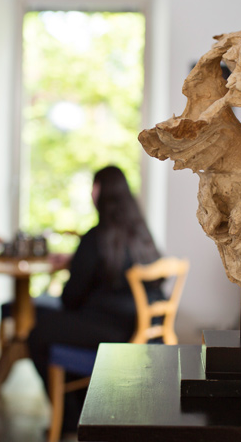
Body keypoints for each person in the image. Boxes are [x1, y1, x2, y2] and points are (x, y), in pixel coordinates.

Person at [28, 165, 164, 435]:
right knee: (55, 320)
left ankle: (69, 417)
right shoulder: (140, 233)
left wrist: (78, 265)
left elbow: (71, 298)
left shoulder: (97, 236)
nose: (91, 193)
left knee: (39, 331)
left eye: (94, 186)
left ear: (101, 192)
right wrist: (76, 260)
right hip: (142, 328)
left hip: (113, 333)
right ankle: (82, 410)